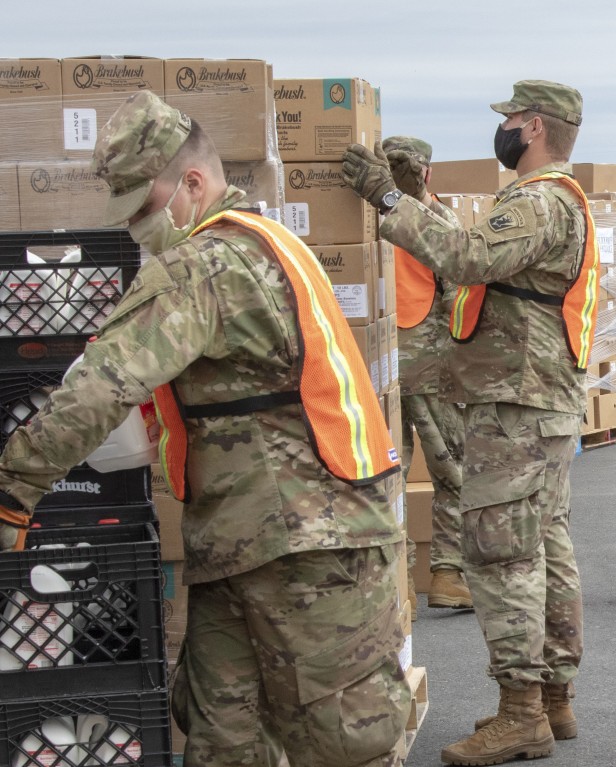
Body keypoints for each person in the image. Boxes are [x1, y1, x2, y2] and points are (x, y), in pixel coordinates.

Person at [0, 91, 409, 767]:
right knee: (223, 737)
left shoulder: (208, 265)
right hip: (247, 541)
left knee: (342, 744)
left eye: (143, 209)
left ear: (192, 183)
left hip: (307, 546)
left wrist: (12, 491)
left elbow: (101, 382)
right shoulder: (266, 240)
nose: (135, 229)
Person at [342, 79, 594, 766]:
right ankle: (553, 698)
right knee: (543, 545)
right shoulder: (551, 200)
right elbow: (474, 251)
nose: (504, 127)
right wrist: (413, 199)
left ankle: (523, 715)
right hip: (535, 398)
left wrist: (387, 200)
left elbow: (467, 257)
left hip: (519, 402)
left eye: (511, 118)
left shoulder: (540, 200)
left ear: (534, 126)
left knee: (501, 553)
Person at [381, 136, 473, 612]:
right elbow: (463, 287)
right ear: (428, 174)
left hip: (379, 363)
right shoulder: (438, 219)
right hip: (433, 362)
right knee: (452, 471)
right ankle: (447, 575)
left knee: (386, 474)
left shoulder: (371, 217)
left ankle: (396, 587)